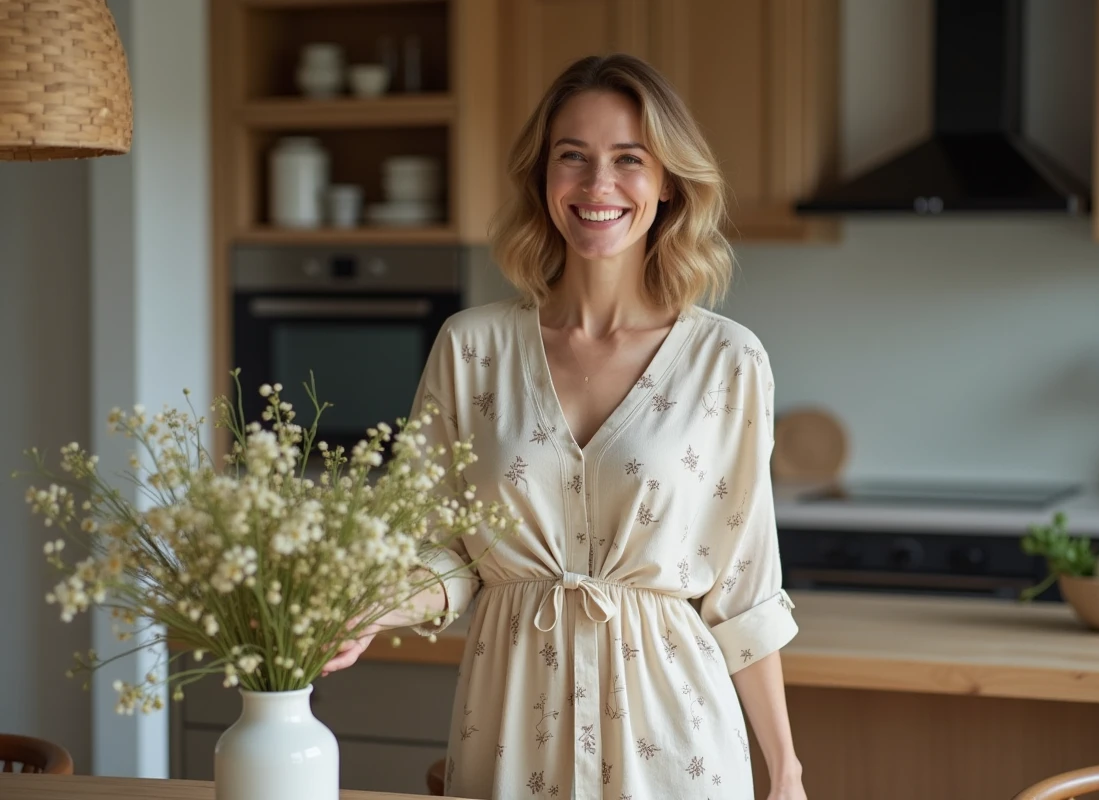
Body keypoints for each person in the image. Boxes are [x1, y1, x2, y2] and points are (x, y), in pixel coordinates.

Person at [323, 53, 808, 800]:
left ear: (668, 182)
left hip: (676, 747)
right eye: (572, 158)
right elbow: (446, 555)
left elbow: (744, 593)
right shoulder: (471, 347)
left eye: (628, 160)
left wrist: (785, 772)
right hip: (510, 732)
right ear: (542, 179)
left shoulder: (728, 361)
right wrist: (370, 608)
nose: (597, 185)